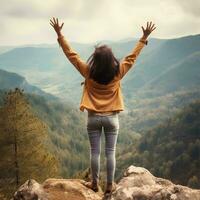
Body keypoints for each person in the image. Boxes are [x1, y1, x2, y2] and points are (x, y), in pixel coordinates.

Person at [50, 17, 156, 196]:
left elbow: (71, 55)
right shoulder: (118, 72)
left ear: (95, 60)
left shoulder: (87, 71)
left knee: (94, 152)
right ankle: (109, 186)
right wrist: (143, 37)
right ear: (111, 59)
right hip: (112, 119)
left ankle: (93, 183)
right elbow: (132, 57)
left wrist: (60, 34)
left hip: (92, 117)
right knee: (110, 153)